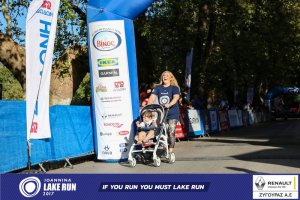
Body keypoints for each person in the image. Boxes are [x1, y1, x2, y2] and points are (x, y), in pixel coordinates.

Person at [147, 71, 180, 153]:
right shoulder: (158, 88)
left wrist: (169, 104)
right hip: (161, 113)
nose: (165, 77)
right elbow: (151, 98)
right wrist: (149, 106)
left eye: (167, 75)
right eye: (163, 75)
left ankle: (170, 150)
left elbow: (176, 98)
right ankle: (162, 147)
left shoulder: (174, 88)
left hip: (173, 113)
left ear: (171, 78)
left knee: (171, 131)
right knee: (161, 130)